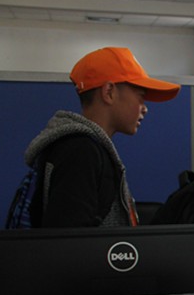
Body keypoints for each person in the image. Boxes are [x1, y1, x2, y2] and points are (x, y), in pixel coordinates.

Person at [24, 46, 180, 227]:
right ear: (109, 92)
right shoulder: (81, 152)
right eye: (140, 97)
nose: (145, 108)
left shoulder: (85, 147)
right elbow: (71, 237)